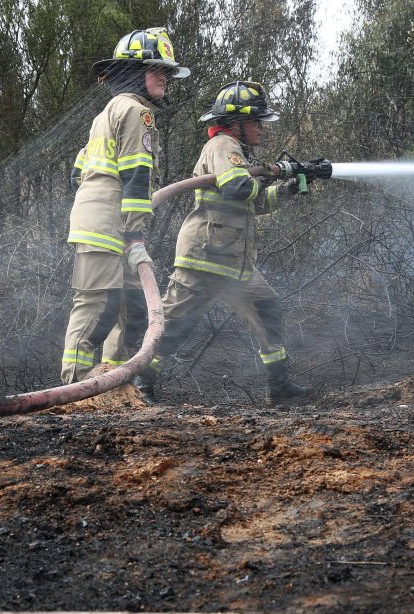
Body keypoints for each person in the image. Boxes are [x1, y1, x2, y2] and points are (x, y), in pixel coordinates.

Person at [132, 81, 314, 405]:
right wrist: (270, 172)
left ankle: (280, 385)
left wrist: (287, 189)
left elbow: (254, 203)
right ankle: (141, 384)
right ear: (237, 123)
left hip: (235, 263)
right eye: (256, 121)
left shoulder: (238, 154)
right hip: (206, 257)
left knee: (268, 307)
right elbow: (238, 189)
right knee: (176, 323)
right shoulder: (223, 146)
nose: (261, 128)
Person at [60, 28, 189, 384]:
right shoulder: (134, 111)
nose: (164, 77)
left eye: (165, 71)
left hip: (108, 221)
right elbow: (136, 175)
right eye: (156, 69)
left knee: (131, 308)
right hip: (109, 226)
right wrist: (134, 234)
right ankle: (75, 388)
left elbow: (76, 174)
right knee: (98, 306)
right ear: (134, 72)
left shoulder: (107, 113)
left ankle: (114, 383)